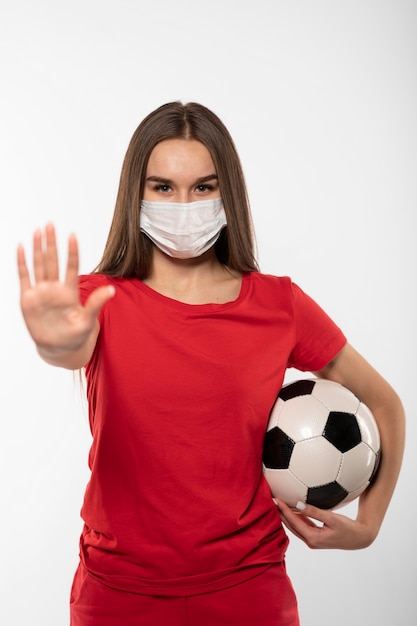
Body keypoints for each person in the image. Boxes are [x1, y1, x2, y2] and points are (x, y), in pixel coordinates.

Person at [17, 101, 405, 626]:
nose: (184, 205)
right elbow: (68, 348)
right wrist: (52, 343)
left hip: (249, 590)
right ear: (135, 193)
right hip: (116, 594)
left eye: (203, 187)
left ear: (228, 194)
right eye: (162, 187)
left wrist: (370, 524)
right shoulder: (96, 302)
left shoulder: (278, 305)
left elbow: (384, 402)